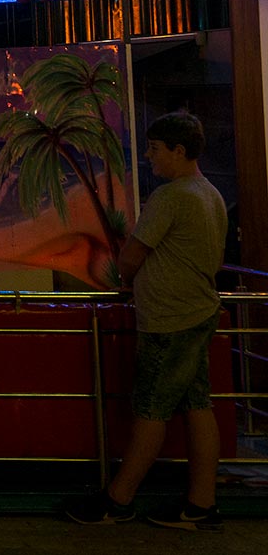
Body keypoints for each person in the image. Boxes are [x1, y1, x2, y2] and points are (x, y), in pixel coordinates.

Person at [67, 111, 228, 530]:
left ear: (178, 151)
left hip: (168, 320)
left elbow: (131, 258)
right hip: (199, 312)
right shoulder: (208, 192)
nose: (149, 157)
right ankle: (201, 504)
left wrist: (128, 278)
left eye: (155, 149)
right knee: (197, 406)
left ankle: (118, 500)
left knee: (151, 410)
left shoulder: (171, 197)